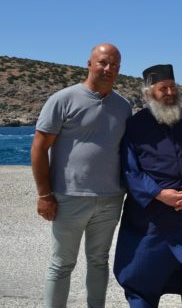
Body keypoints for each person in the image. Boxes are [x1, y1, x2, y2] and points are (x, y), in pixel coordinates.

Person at [30, 43, 131, 308]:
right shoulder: (62, 99)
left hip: (110, 198)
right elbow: (39, 148)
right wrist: (44, 194)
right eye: (103, 62)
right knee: (62, 263)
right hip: (69, 197)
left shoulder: (123, 106)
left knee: (99, 261)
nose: (108, 68)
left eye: (114, 65)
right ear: (89, 64)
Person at [114, 64, 182, 308]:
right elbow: (130, 170)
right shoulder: (135, 125)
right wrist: (159, 194)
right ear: (149, 93)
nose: (170, 93)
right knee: (141, 275)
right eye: (163, 88)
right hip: (151, 217)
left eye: (173, 87)